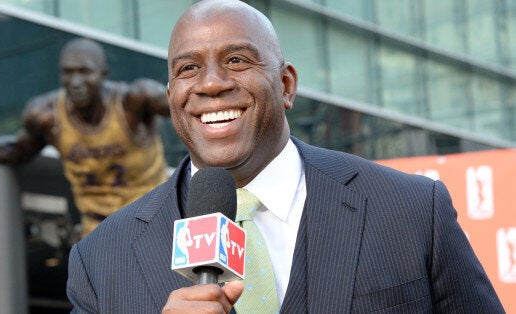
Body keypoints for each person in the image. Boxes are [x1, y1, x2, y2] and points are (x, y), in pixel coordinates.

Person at [66, 1, 505, 313]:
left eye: (237, 60)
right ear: (172, 97)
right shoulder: (102, 260)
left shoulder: (411, 210)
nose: (211, 84)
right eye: (188, 68)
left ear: (287, 85)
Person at [0, 38, 170, 238]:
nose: (75, 82)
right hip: (98, 229)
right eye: (68, 72)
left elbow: (185, 108)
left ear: (104, 74)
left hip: (152, 219)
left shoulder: (134, 102)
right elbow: (16, 151)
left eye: (84, 72)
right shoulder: (47, 116)